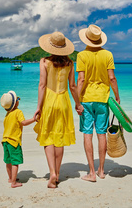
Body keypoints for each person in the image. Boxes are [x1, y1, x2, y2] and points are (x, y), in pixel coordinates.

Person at [34, 31, 84, 188]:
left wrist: (38, 107)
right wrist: (78, 104)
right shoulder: (70, 64)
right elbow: (73, 86)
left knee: (48, 137)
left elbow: (42, 85)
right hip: (63, 101)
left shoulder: (44, 62)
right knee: (59, 138)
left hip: (49, 101)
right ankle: (58, 172)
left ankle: (52, 173)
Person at [76, 24, 120, 182]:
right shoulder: (108, 54)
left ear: (86, 39)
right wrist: (117, 96)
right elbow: (112, 78)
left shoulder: (81, 55)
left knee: (87, 134)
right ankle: (101, 171)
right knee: (101, 134)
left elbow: (80, 79)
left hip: (87, 100)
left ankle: (91, 172)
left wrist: (77, 100)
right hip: (103, 100)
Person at [0, 90, 36, 188]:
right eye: (18, 99)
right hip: (14, 141)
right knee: (15, 162)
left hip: (5, 141)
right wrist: (34, 119)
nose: (18, 100)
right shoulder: (18, 112)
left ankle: (10, 178)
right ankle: (14, 183)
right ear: (15, 103)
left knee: (8, 161)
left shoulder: (7, 115)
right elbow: (23, 123)